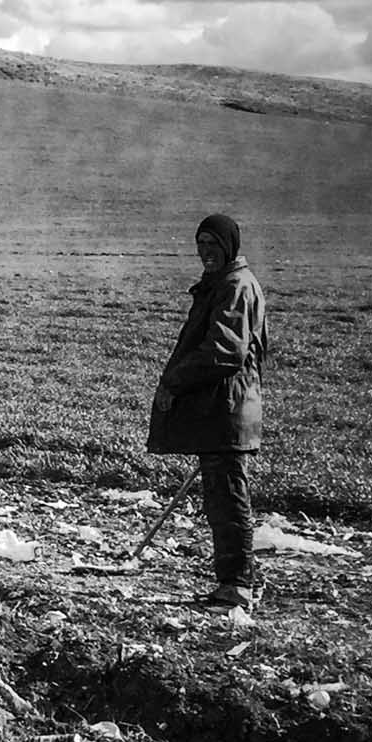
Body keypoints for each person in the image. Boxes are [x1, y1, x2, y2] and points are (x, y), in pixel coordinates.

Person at [148, 213, 270, 608]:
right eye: (200, 244)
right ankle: (244, 578)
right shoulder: (226, 284)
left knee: (228, 500)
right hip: (224, 408)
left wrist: (174, 382)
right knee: (225, 497)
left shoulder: (235, 287)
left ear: (229, 246)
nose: (205, 252)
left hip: (229, 409)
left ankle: (237, 585)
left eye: (213, 245)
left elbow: (224, 352)